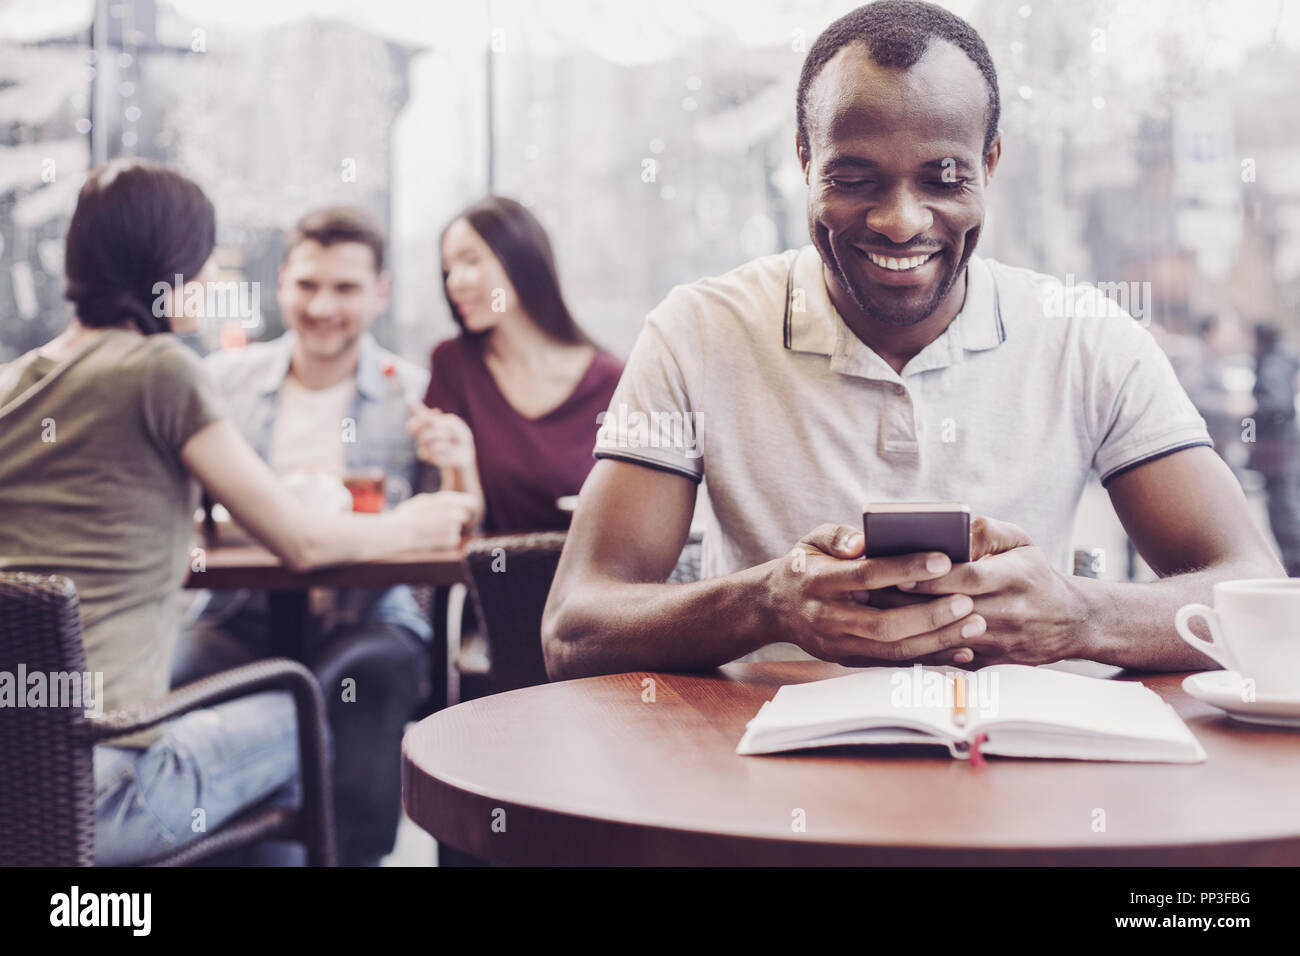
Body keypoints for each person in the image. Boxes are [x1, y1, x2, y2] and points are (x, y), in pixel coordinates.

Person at [542, 0, 1283, 680]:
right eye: (856, 178)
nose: (901, 220)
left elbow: (1256, 598)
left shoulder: (1089, 339)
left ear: (990, 165)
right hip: (767, 784)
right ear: (804, 160)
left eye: (944, 177)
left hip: (1018, 782)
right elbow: (574, 628)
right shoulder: (696, 331)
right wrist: (767, 604)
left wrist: (1081, 618)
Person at [0, 161, 476, 866]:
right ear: (169, 267)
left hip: (19, 787)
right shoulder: (162, 369)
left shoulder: (16, 382)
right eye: (205, 258)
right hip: (107, 794)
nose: (213, 277)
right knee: (299, 712)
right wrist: (413, 525)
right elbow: (303, 541)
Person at [172, 206, 483, 867]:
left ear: (380, 293)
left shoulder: (412, 395)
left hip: (365, 616)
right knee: (180, 668)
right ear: (282, 283)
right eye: (307, 285)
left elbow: (457, 528)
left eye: (345, 288)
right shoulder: (224, 384)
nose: (322, 306)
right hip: (237, 614)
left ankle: (346, 858)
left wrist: (459, 460)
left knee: (376, 672)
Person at [414, 196, 623, 533]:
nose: (455, 282)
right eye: (448, 270)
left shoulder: (613, 381)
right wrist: (461, 466)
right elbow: (455, 530)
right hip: (491, 580)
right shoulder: (453, 365)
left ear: (522, 259)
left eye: (470, 261)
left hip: (592, 581)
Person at [1248, 323, 1300, 574]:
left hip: (1278, 451)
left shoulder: (1271, 364)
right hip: (1285, 449)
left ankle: (1295, 572)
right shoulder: (1281, 360)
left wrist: (1252, 409)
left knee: (1284, 514)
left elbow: (1277, 404)